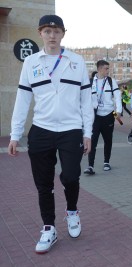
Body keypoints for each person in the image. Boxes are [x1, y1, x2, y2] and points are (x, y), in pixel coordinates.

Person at [8, 15, 93, 254]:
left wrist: (88, 132)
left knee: (71, 176)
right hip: (42, 130)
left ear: (63, 34)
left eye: (56, 31)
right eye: (47, 31)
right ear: (40, 33)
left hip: (71, 129)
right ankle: (49, 228)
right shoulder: (31, 62)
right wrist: (15, 135)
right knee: (44, 184)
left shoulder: (76, 61)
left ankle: (72, 212)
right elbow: (23, 100)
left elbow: (86, 100)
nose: (52, 36)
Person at [83, 60, 122, 175]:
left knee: (108, 140)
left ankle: (106, 162)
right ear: (99, 69)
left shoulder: (111, 81)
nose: (108, 71)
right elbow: (85, 100)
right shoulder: (90, 82)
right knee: (93, 141)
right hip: (95, 116)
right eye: (106, 68)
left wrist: (118, 111)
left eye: (108, 68)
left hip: (109, 115)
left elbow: (117, 96)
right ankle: (90, 166)